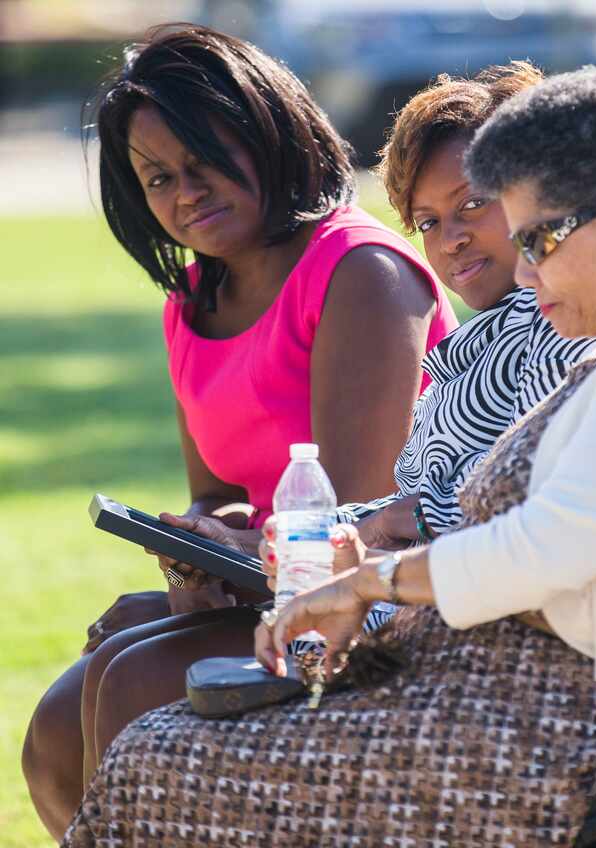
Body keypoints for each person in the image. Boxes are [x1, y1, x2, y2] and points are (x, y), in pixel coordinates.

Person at [64, 65, 596, 846]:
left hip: (569, 728)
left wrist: (365, 583)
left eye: (538, 237)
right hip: (516, 695)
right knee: (159, 745)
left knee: (160, 759)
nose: (527, 269)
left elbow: (540, 551)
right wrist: (348, 551)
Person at [22, 24, 457, 840]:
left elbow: (353, 525)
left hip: (383, 605)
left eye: (203, 157)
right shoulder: (191, 302)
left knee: (134, 675)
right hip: (274, 591)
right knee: (55, 723)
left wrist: (215, 570)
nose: (185, 191)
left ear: (266, 129)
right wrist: (193, 548)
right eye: (158, 177)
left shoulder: (360, 272)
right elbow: (222, 499)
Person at [339, 60, 596, 547]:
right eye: (428, 223)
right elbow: (411, 507)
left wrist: (380, 531)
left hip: (462, 607)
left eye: (473, 203)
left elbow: (519, 496)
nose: (450, 240)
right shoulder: (490, 339)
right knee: (169, 609)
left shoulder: (561, 318)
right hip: (416, 591)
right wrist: (283, 538)